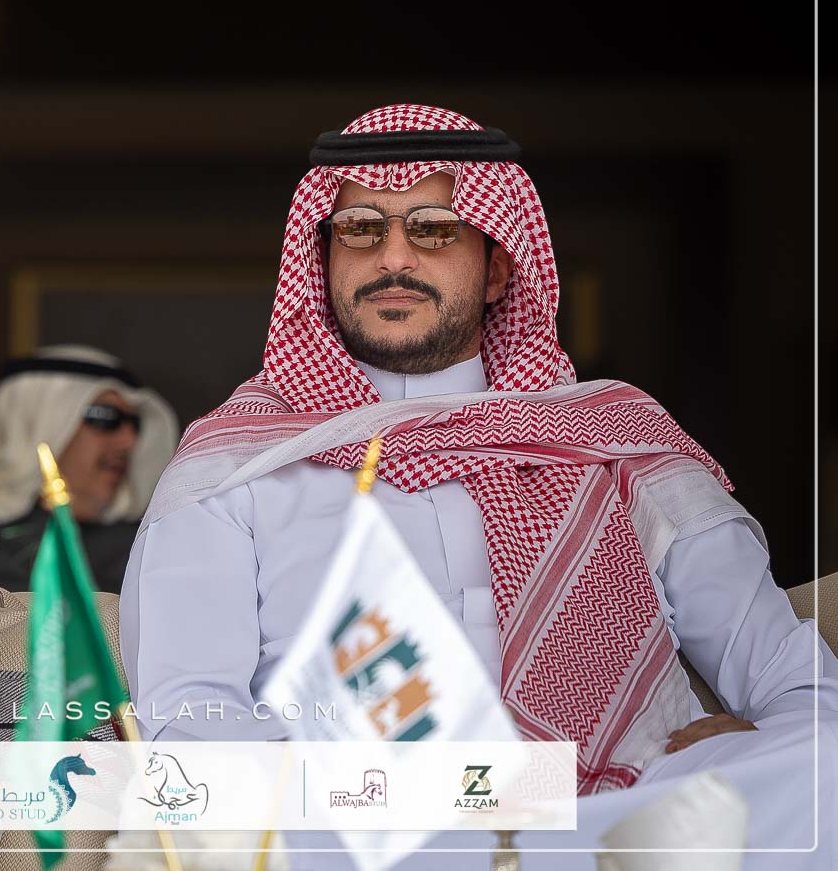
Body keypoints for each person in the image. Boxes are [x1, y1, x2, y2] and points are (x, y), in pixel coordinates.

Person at [120, 104, 835, 867]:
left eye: (434, 229)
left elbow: (796, 684)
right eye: (359, 229)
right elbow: (190, 719)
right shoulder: (235, 465)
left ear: (497, 268)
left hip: (630, 802)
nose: (393, 257)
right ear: (320, 260)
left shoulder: (617, 442)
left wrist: (769, 751)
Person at [0, 345, 176, 592]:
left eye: (135, 424)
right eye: (106, 418)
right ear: (36, 423)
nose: (129, 441)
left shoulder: (149, 553)